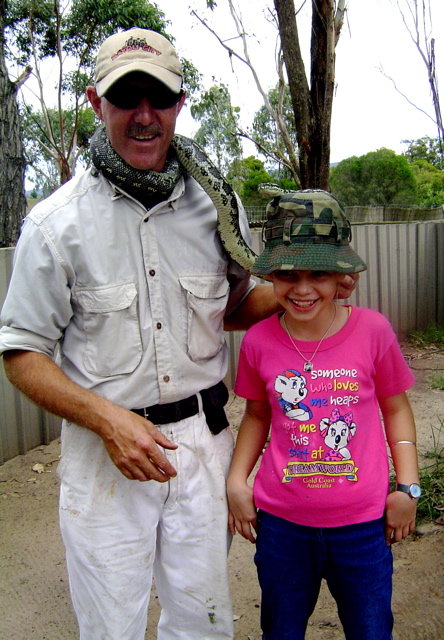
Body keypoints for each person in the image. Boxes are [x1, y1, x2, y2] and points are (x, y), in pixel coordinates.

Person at [0, 27, 356, 640]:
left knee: (203, 621)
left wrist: (310, 288)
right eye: (126, 97)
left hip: (203, 442)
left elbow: (236, 304)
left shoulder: (215, 208)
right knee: (111, 625)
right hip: (103, 451)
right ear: (96, 102)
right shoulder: (56, 224)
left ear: (179, 102)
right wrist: (107, 421)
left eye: (158, 97)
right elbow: (22, 351)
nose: (144, 115)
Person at [227, 191, 420, 640]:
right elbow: (257, 416)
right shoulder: (257, 341)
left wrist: (408, 485)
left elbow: (396, 408)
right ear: (272, 275)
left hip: (363, 528)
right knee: (281, 629)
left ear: (341, 276)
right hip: (283, 530)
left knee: (371, 631)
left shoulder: (373, 331)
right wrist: (237, 481)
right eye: (288, 275)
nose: (302, 288)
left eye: (318, 274)